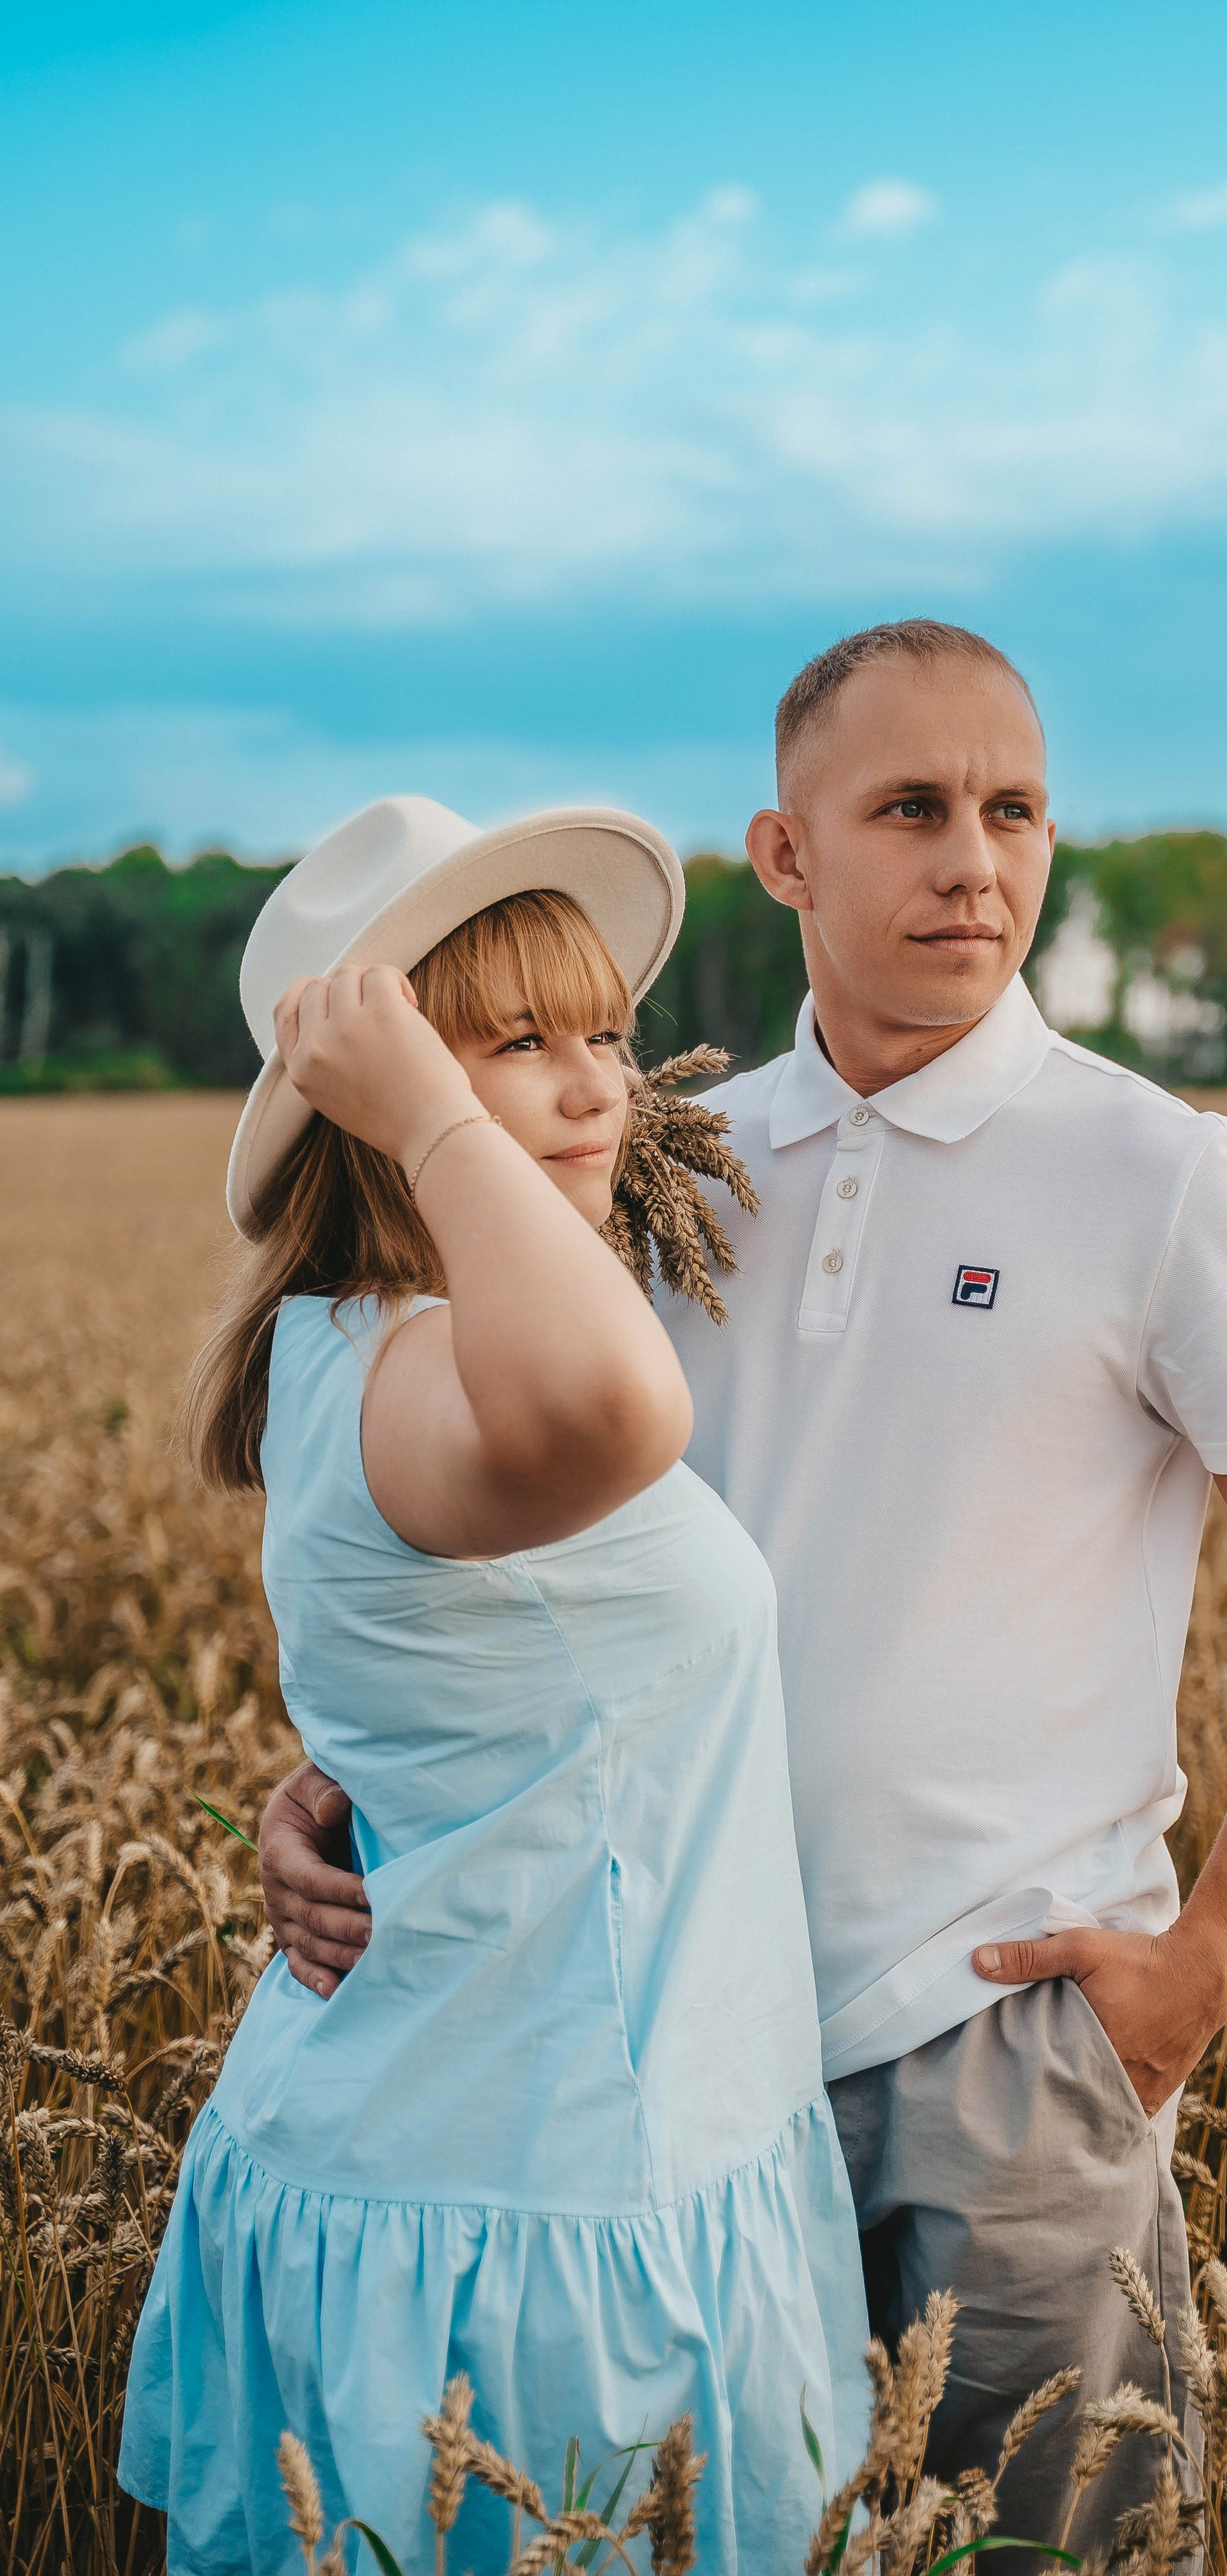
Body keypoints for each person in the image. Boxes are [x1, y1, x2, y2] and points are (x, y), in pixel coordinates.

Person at [262, 631, 1227, 2550]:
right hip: (653, 2059)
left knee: (1040, 2542)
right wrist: (349, 1770)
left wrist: (1199, 1975)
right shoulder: (650, 1166)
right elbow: (515, 1528)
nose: (975, 861)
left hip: (995, 2043)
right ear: (785, 855)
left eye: (1015, 810)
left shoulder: (1162, 1177)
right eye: (910, 810)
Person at [121, 795, 868, 2575]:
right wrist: (433, 1113)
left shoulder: (354, 1345)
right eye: (510, 1042)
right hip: (530, 2222)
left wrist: (336, 1778)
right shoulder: (433, 1361)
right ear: (380, 1104)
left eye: (605, 1030)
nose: (601, 1084)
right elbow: (623, 1407)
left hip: (464, 2143)